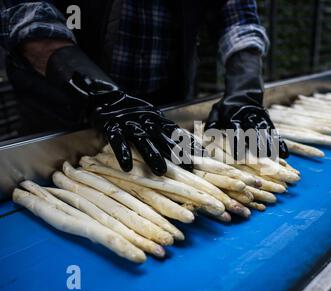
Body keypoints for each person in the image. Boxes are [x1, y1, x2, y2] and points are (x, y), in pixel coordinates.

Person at [0, 0, 288, 175]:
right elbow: (28, 14)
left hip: (163, 112)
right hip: (62, 112)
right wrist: (96, 91)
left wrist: (244, 88)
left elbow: (236, 14)